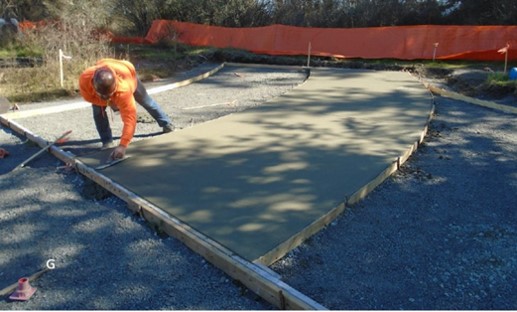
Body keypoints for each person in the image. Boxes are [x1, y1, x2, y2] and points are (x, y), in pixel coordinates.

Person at [79, 58, 174, 160]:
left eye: (110, 95)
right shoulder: (85, 78)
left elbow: (130, 119)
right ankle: (107, 142)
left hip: (129, 76)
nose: (108, 98)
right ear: (93, 85)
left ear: (115, 88)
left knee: (146, 101)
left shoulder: (124, 89)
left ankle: (166, 123)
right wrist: (108, 102)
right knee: (98, 112)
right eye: (103, 95)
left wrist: (123, 145)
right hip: (106, 71)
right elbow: (88, 97)